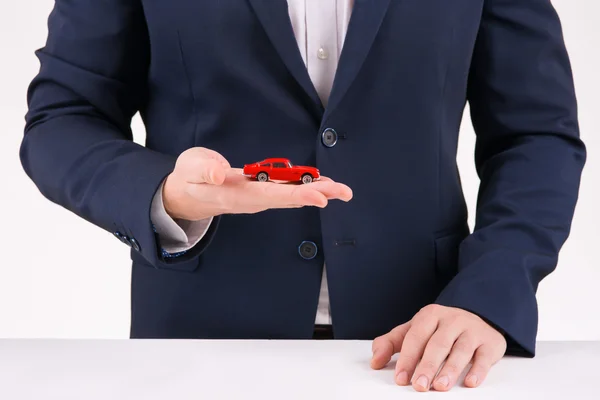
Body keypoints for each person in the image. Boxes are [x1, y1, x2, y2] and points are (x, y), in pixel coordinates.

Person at [20, 0, 585, 392]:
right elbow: (63, 119)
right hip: (200, 348)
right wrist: (163, 194)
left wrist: (488, 293)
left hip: (423, 351)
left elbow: (534, 133)